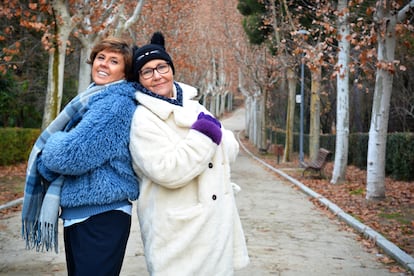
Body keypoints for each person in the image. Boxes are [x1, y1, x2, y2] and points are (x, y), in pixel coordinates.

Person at [129, 32, 249, 275]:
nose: (157, 75)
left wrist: (210, 136)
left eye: (162, 67)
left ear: (171, 68)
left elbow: (230, 148)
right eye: (147, 71)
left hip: (217, 226)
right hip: (180, 232)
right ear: (139, 79)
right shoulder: (142, 119)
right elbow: (168, 170)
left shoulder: (194, 105)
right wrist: (205, 136)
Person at [22, 37, 140, 275]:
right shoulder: (92, 99)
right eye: (100, 58)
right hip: (83, 213)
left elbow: (70, 155)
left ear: (125, 73)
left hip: (101, 216)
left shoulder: (115, 104)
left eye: (114, 61)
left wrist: (48, 150)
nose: (103, 64)